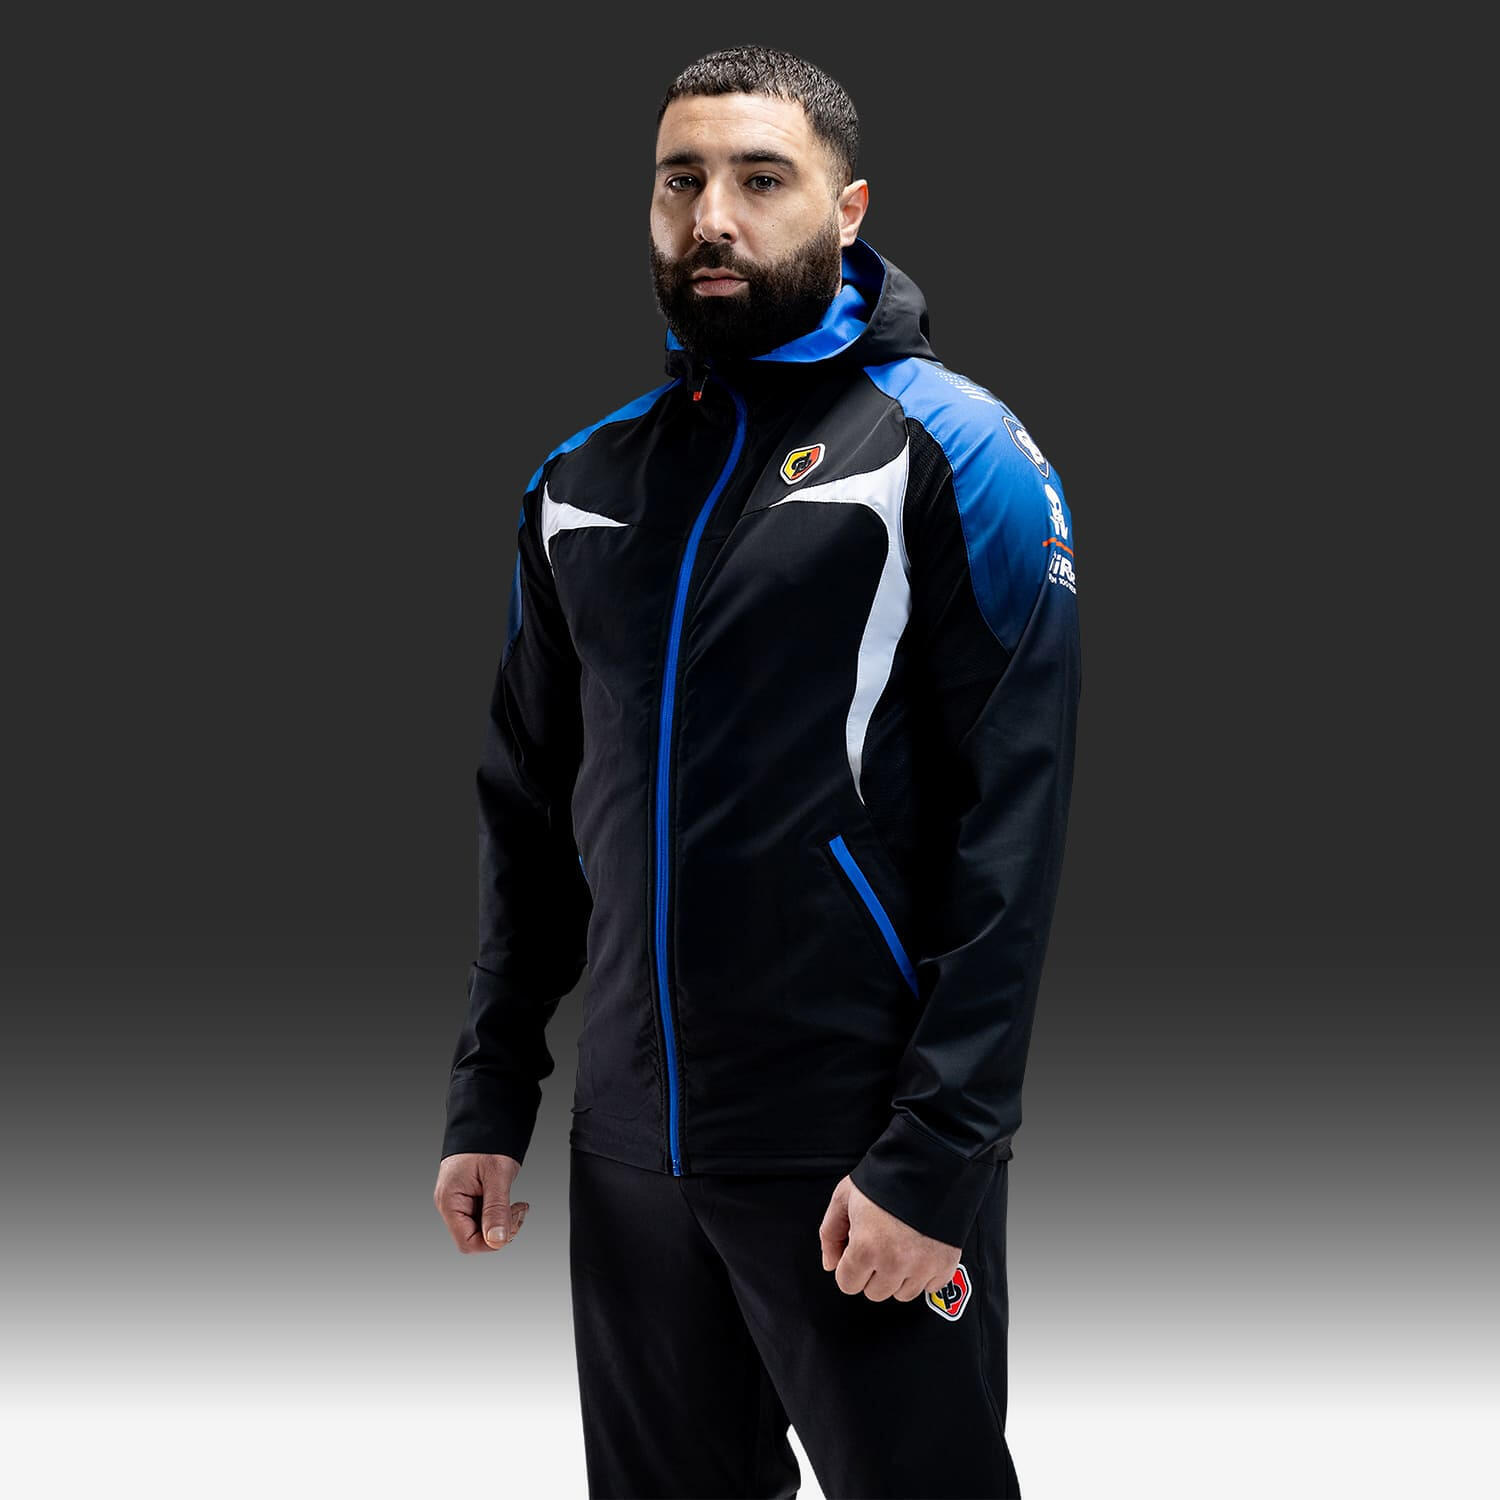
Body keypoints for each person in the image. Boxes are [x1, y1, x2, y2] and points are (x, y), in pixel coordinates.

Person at [433, 42, 1081, 1500]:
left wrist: (936, 1156)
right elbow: (528, 818)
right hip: (631, 1151)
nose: (711, 216)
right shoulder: (581, 484)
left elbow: (1014, 836)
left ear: (849, 209)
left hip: (854, 1149)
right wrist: (490, 1097)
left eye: (760, 178)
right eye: (681, 181)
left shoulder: (953, 451)